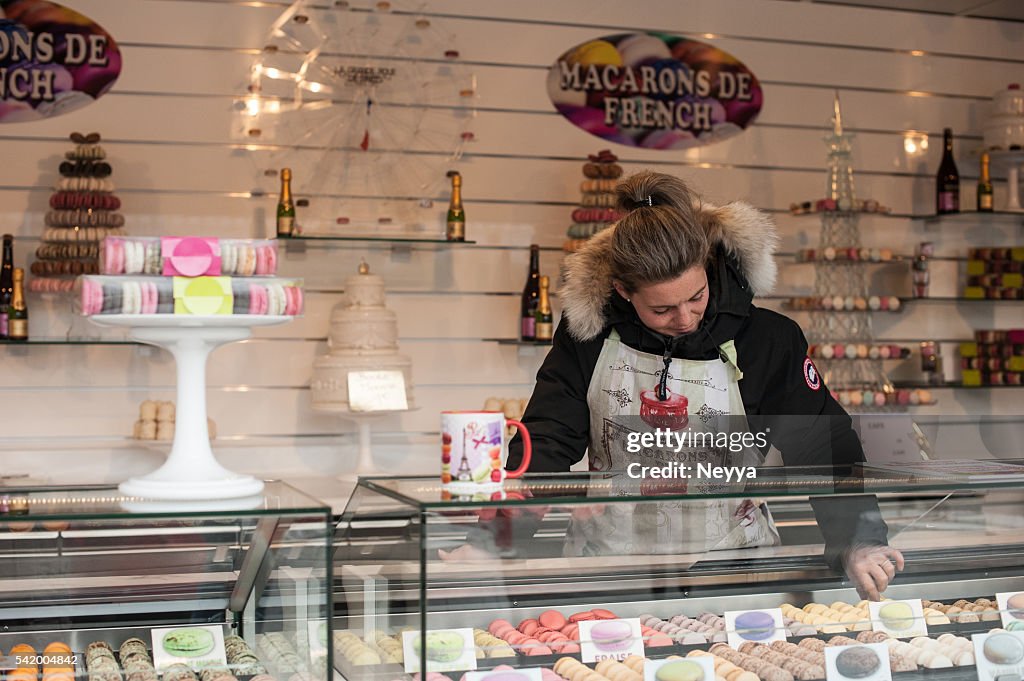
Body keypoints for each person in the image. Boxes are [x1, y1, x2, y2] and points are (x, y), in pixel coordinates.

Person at [447, 171, 903, 600]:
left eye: (696, 297)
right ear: (623, 290)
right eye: (662, 310)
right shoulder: (587, 335)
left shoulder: (768, 339)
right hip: (611, 570)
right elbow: (545, 442)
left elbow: (822, 444)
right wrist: (491, 542)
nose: (684, 318)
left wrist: (858, 542)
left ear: (707, 266)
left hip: (735, 568)